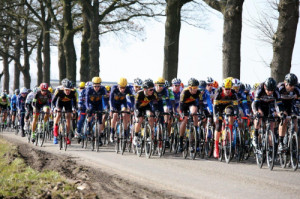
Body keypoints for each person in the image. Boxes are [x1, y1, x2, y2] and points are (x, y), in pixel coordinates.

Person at [251, 77, 284, 150]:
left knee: (271, 124)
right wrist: (256, 112)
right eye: (268, 90)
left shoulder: (276, 91)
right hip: (259, 104)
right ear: (265, 87)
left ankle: (270, 148)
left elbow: (279, 104)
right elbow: (255, 103)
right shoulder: (260, 89)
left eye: (272, 90)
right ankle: (255, 135)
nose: (270, 92)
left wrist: (280, 113)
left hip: (269, 105)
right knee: (259, 115)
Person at [213, 78, 239, 158]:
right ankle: (216, 147)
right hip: (218, 108)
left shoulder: (233, 94)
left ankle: (230, 133)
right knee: (218, 126)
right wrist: (216, 116)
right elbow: (215, 107)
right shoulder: (218, 93)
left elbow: (236, 106)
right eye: (226, 89)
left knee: (231, 115)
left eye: (229, 89)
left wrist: (236, 114)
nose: (228, 91)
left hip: (228, 106)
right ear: (223, 88)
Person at [277, 73, 300, 152]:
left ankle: (294, 140)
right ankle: (281, 143)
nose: (292, 87)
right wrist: (282, 112)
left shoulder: (297, 89)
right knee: (284, 120)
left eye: (294, 85)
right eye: (291, 85)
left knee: (295, 120)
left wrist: (295, 113)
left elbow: (297, 103)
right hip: (281, 104)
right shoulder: (280, 88)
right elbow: (277, 102)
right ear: (285, 83)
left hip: (291, 104)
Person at [179, 78, 201, 152]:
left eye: (197, 87)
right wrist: (182, 113)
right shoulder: (184, 92)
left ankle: (195, 129)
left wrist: (203, 112)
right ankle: (180, 141)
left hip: (192, 104)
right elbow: (181, 105)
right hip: (184, 105)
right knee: (184, 120)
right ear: (190, 87)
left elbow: (200, 104)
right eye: (194, 88)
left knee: (195, 112)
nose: (196, 89)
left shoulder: (198, 92)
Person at [52, 78, 78, 144]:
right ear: (63, 88)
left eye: (69, 90)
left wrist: (75, 109)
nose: (67, 92)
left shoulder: (73, 92)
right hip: (59, 103)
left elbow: (75, 102)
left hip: (68, 104)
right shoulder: (58, 90)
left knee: (68, 118)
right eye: (66, 90)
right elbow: (53, 101)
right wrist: (54, 108)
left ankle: (67, 136)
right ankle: (55, 131)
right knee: (59, 114)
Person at [133, 79, 158, 145]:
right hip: (139, 107)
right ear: (145, 89)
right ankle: (135, 136)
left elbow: (155, 104)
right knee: (140, 119)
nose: (152, 91)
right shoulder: (139, 94)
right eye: (150, 90)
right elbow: (136, 105)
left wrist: (155, 112)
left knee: (151, 117)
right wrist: (138, 113)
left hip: (147, 107)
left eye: (153, 89)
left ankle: (149, 135)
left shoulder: (154, 94)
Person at [110, 77, 134, 142]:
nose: (122, 89)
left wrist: (132, 108)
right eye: (121, 87)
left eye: (124, 88)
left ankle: (126, 133)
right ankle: (112, 133)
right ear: (118, 86)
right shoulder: (114, 88)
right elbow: (111, 99)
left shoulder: (128, 89)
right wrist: (112, 108)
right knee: (115, 115)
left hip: (122, 103)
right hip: (114, 104)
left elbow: (132, 99)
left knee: (124, 114)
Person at [85, 77, 107, 145]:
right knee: (90, 113)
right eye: (95, 86)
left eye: (98, 86)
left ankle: (99, 138)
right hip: (91, 104)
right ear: (92, 85)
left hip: (99, 104)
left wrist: (105, 108)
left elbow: (104, 100)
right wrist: (87, 108)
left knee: (100, 121)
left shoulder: (103, 89)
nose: (97, 88)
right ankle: (88, 126)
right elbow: (86, 101)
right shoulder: (89, 89)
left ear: (100, 85)